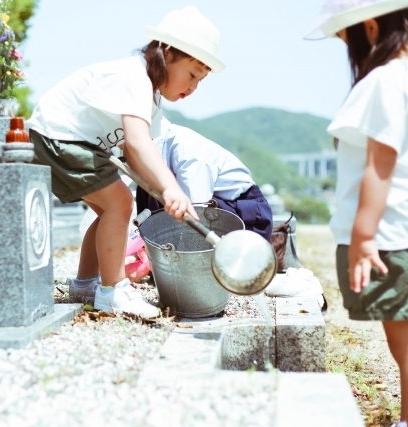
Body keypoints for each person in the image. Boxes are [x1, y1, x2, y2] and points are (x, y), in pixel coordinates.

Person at [27, 6, 225, 318]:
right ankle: (113, 290)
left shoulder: (151, 97)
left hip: (66, 140)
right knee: (119, 202)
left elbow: (134, 152)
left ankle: (85, 285)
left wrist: (165, 188)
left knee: (113, 210)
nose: (192, 87)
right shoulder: (135, 77)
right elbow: (135, 141)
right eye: (191, 75)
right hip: (58, 135)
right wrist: (170, 187)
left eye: (199, 81)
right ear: (168, 53)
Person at [310, 1, 408, 426]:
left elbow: (380, 163)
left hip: (397, 236)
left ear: (369, 27)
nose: (346, 49)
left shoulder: (387, 79)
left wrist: (364, 235)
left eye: (345, 39)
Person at [135, 117, 273, 241]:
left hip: (243, 214)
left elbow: (196, 215)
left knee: (180, 208)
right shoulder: (150, 149)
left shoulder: (186, 150)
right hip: (207, 208)